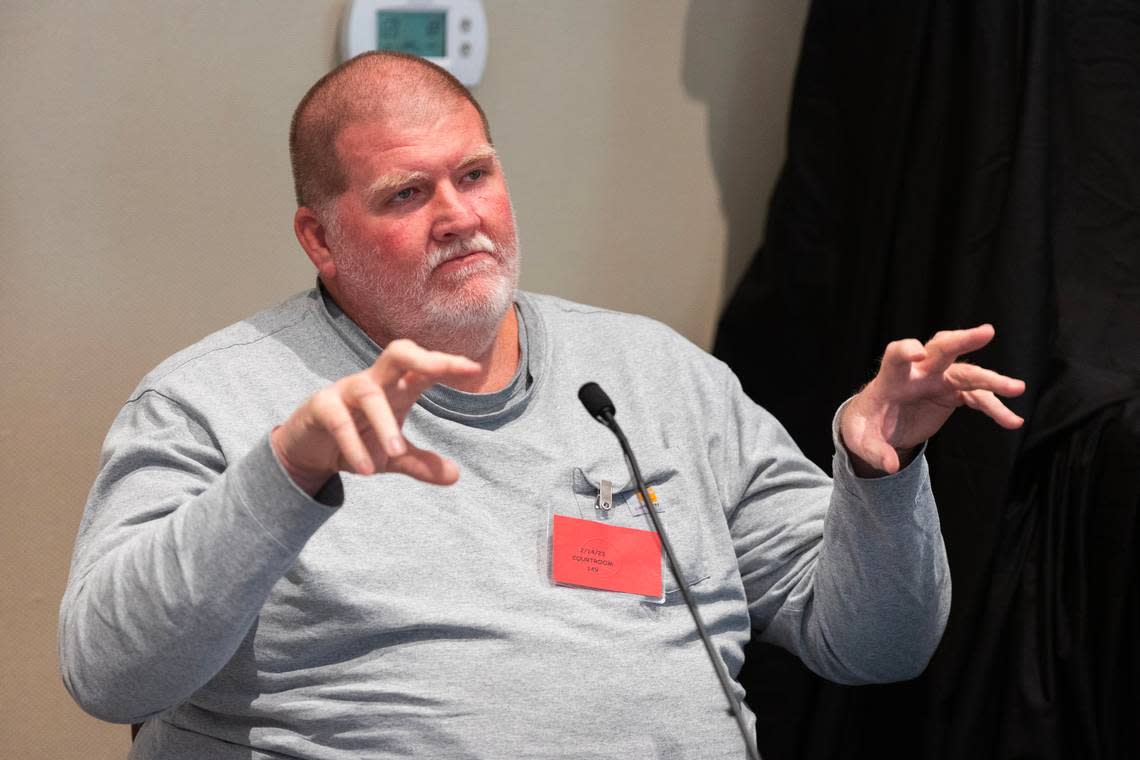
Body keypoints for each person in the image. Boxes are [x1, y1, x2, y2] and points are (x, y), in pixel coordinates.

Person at [59, 52, 1026, 759]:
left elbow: (876, 645)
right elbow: (109, 674)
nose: (460, 215)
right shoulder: (212, 397)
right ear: (319, 237)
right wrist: (286, 472)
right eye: (406, 194)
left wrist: (877, 477)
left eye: (475, 174)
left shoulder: (654, 373)